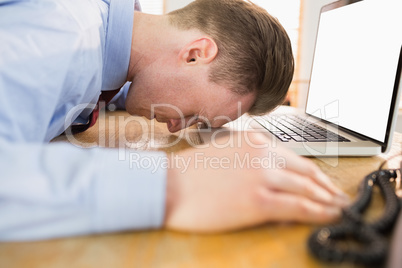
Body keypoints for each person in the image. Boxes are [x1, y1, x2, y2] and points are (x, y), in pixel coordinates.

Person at [0, 0, 349, 241]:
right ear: (196, 54)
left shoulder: (111, 48)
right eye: (194, 115)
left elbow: (94, 87)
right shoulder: (62, 36)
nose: (175, 127)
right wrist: (173, 187)